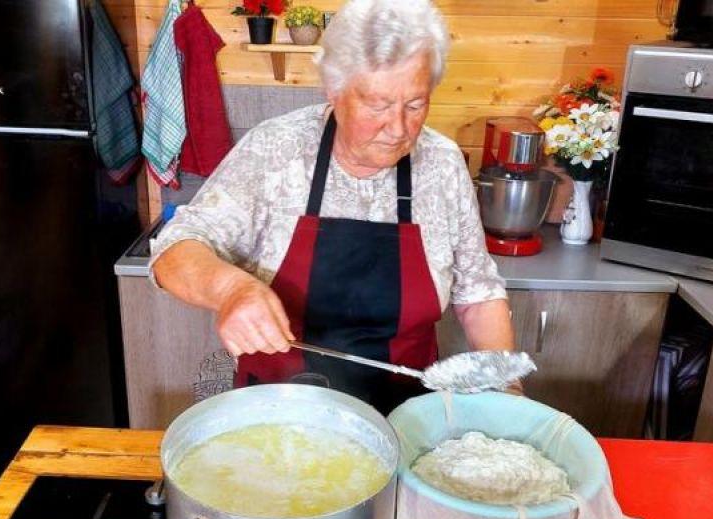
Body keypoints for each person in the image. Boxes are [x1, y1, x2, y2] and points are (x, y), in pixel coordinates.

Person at [151, 0, 518, 415]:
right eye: (377, 105)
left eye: (415, 104)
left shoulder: (443, 164)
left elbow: (479, 291)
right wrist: (230, 289)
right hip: (278, 410)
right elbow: (174, 250)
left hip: (408, 415)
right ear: (333, 89)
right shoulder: (276, 149)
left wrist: (505, 389)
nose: (398, 129)